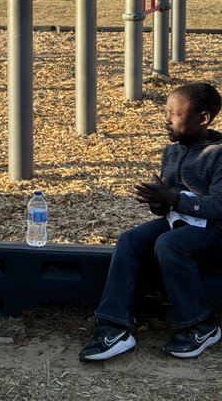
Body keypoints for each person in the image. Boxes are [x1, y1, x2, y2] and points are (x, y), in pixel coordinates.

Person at [79, 82, 222, 362]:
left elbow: (218, 205)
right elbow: (168, 206)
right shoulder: (172, 151)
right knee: (130, 240)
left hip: (216, 230)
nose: (166, 119)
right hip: (181, 224)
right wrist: (158, 202)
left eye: (175, 114)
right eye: (165, 112)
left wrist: (171, 198)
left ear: (202, 118)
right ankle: (114, 326)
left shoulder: (218, 153)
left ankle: (201, 325)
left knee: (170, 244)